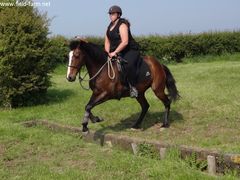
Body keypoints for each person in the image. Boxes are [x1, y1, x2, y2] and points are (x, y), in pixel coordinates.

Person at [105, 5, 140, 98]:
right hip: (118, 51)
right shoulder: (109, 26)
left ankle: (133, 88)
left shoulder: (122, 25)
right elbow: (107, 42)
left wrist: (115, 52)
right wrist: (108, 53)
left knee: (127, 64)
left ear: (118, 14)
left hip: (130, 50)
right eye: (110, 14)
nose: (111, 15)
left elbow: (125, 42)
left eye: (113, 14)